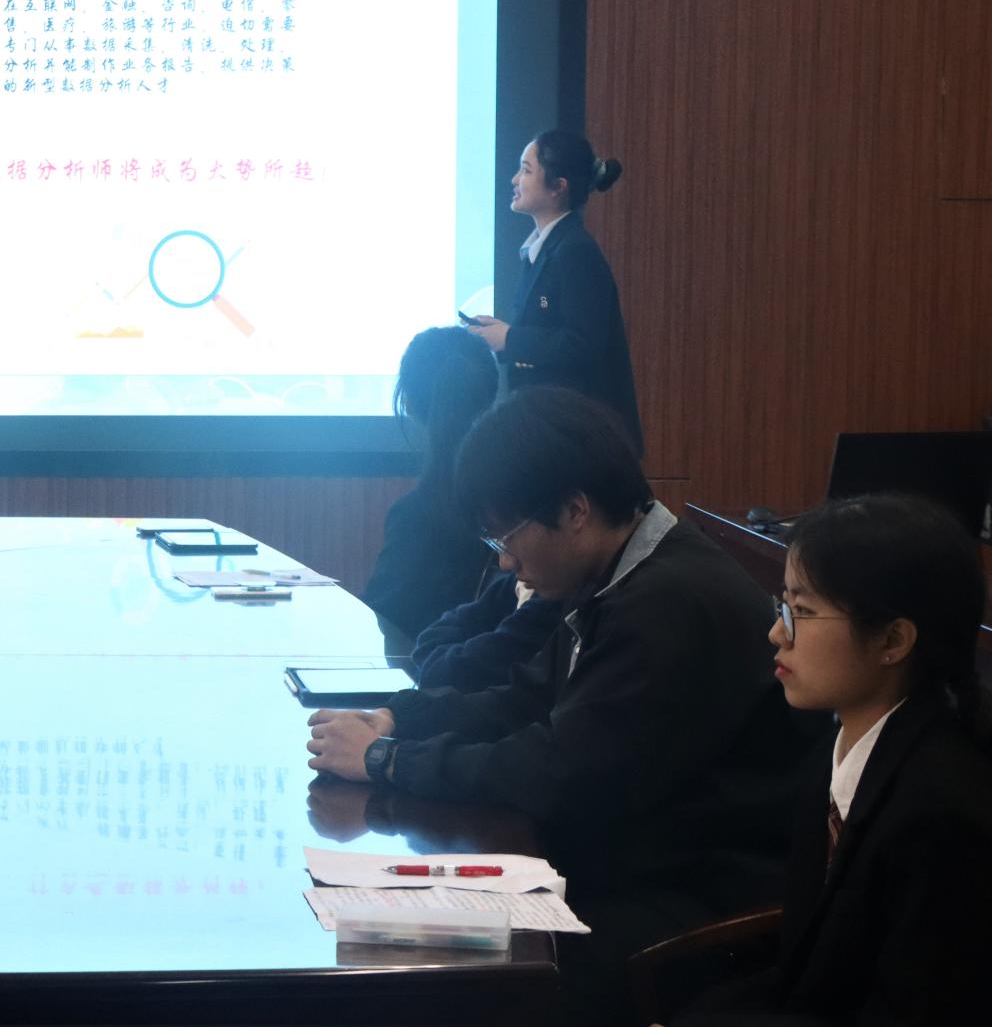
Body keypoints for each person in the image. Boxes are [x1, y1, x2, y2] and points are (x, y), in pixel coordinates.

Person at [306, 387, 817, 1018]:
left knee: (442, 976)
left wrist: (387, 760)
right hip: (639, 859)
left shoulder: (667, 601)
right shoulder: (622, 570)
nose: (504, 560)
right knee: (398, 940)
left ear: (575, 510)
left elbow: (558, 770)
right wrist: (398, 718)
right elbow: (526, 697)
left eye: (507, 534)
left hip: (701, 899)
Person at [674, 495, 992, 1025]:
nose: (778, 633)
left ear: (892, 639)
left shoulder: (943, 815)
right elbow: (804, 968)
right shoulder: (844, 741)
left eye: (802, 612)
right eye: (783, 606)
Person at [464, 129, 642, 453]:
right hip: (557, 430)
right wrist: (500, 335)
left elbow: (582, 343)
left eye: (526, 170)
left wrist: (510, 338)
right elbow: (551, 323)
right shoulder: (548, 249)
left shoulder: (574, 251)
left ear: (558, 187)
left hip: (581, 439)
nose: (514, 180)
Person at [361, 326, 500, 645]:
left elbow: (377, 621)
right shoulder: (517, 498)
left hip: (420, 670)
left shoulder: (415, 515)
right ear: (491, 395)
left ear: (408, 403)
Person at [406, 564, 562, 692]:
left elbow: (455, 673)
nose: (504, 563)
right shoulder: (523, 579)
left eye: (508, 539)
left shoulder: (554, 591)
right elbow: (431, 639)